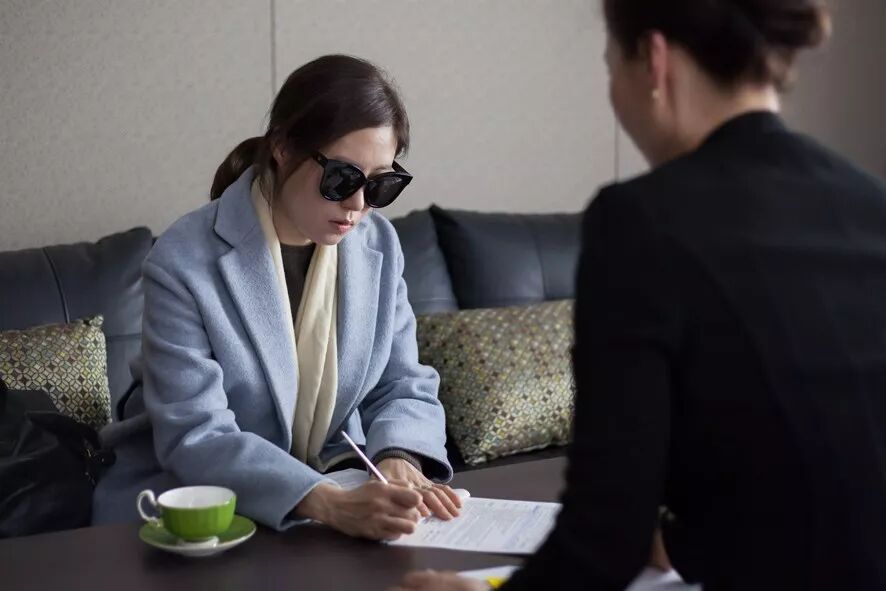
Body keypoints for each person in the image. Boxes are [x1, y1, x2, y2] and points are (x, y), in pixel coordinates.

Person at [391, 0, 886, 589]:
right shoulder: (870, 204)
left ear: (653, 61)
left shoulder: (641, 222)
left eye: (611, 66)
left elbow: (606, 538)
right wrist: (685, 540)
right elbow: (811, 459)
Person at [93, 54, 462, 540]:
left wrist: (398, 457)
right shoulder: (184, 259)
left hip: (336, 478)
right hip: (196, 500)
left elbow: (402, 382)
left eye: (379, 185)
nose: (357, 205)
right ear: (284, 148)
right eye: (342, 178)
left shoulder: (379, 245)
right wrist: (329, 503)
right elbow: (196, 434)